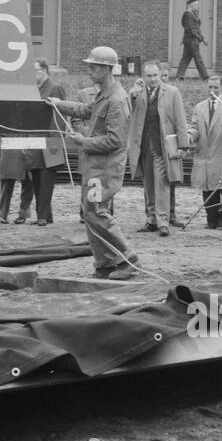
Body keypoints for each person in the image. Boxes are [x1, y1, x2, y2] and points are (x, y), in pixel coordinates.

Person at [45, 46, 139, 279]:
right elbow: (85, 110)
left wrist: (83, 141)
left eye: (93, 67)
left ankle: (127, 259)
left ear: (107, 69)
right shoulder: (103, 95)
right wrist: (59, 103)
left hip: (105, 169)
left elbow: (115, 140)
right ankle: (105, 263)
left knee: (97, 212)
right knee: (90, 213)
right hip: (95, 166)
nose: (89, 71)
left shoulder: (117, 100)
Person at [126, 60, 187, 236]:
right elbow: (127, 112)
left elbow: (180, 119)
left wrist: (183, 144)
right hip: (143, 147)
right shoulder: (138, 93)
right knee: (148, 184)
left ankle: (163, 222)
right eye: (149, 76)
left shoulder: (172, 92)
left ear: (160, 75)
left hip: (162, 147)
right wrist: (132, 95)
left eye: (155, 75)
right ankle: (151, 219)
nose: (152, 79)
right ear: (143, 76)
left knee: (162, 184)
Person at [188, 74, 222, 229]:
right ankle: (211, 220)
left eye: (216, 87)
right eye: (210, 87)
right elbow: (195, 127)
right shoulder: (199, 107)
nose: (212, 90)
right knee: (207, 189)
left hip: (221, 153)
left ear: (221, 88)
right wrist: (190, 135)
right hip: (204, 154)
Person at [28, 59, 67, 224]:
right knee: (37, 176)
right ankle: (45, 214)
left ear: (43, 70)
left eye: (35, 70)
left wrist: (56, 140)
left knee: (46, 178)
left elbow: (61, 115)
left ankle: (42, 216)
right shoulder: (33, 89)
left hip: (50, 140)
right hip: (36, 140)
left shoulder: (55, 88)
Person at [176, 0, 209, 80]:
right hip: (191, 40)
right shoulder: (187, 15)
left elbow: (197, 28)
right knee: (198, 59)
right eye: (196, 4)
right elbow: (190, 29)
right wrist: (199, 38)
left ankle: (179, 76)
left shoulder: (194, 14)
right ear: (191, 5)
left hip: (191, 40)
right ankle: (205, 77)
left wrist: (203, 38)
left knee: (186, 58)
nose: (198, 6)